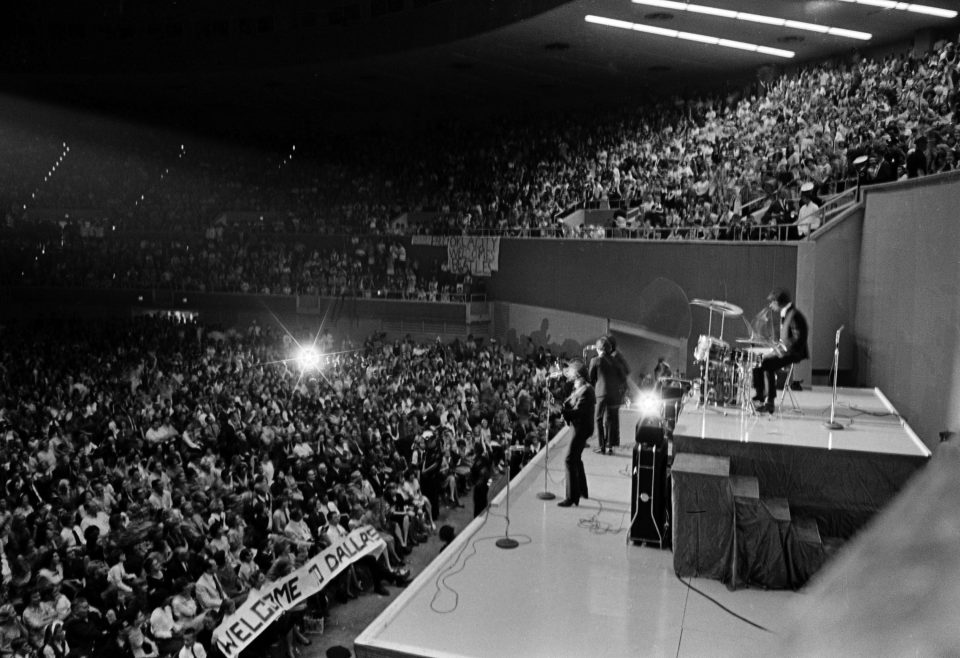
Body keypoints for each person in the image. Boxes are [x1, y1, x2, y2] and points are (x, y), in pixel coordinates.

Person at [752, 289, 809, 413]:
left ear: (778, 302)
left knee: (767, 364)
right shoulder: (787, 312)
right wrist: (776, 346)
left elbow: (798, 338)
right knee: (759, 362)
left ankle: (768, 401)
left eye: (772, 303)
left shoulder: (793, 314)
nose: (770, 305)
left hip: (795, 353)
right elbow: (787, 337)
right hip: (788, 351)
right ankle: (761, 396)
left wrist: (782, 350)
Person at [558, 359, 595, 507]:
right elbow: (572, 403)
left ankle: (572, 497)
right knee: (576, 458)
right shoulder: (581, 387)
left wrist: (564, 412)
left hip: (582, 429)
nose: (570, 375)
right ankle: (582, 490)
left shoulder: (586, 390)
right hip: (579, 427)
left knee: (569, 459)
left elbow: (579, 411)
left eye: (572, 372)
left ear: (578, 375)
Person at [588, 336, 629, 454]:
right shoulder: (615, 360)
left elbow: (591, 378)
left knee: (598, 418)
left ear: (599, 348)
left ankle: (601, 446)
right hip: (614, 394)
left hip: (601, 393)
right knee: (610, 420)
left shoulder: (595, 361)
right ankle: (610, 446)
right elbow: (622, 377)